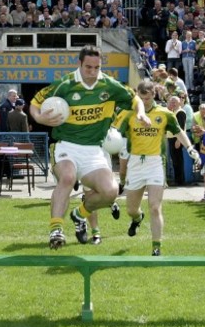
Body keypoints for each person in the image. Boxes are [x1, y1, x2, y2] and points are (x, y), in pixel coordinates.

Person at [29, 45, 150, 249]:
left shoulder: (109, 85)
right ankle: (56, 229)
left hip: (94, 149)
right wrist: (39, 117)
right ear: (79, 64)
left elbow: (134, 98)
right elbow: (35, 102)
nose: (93, 72)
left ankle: (80, 214)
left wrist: (141, 112)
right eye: (88, 67)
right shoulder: (65, 84)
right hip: (67, 145)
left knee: (110, 192)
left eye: (97, 67)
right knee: (67, 178)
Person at [117, 81, 200, 255]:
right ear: (137, 95)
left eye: (148, 98)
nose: (145, 101)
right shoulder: (128, 114)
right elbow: (115, 134)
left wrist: (190, 148)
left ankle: (156, 247)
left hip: (155, 163)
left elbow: (178, 131)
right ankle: (137, 218)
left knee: (155, 206)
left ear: (154, 94)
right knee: (132, 209)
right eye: (141, 98)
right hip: (135, 163)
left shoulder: (165, 114)